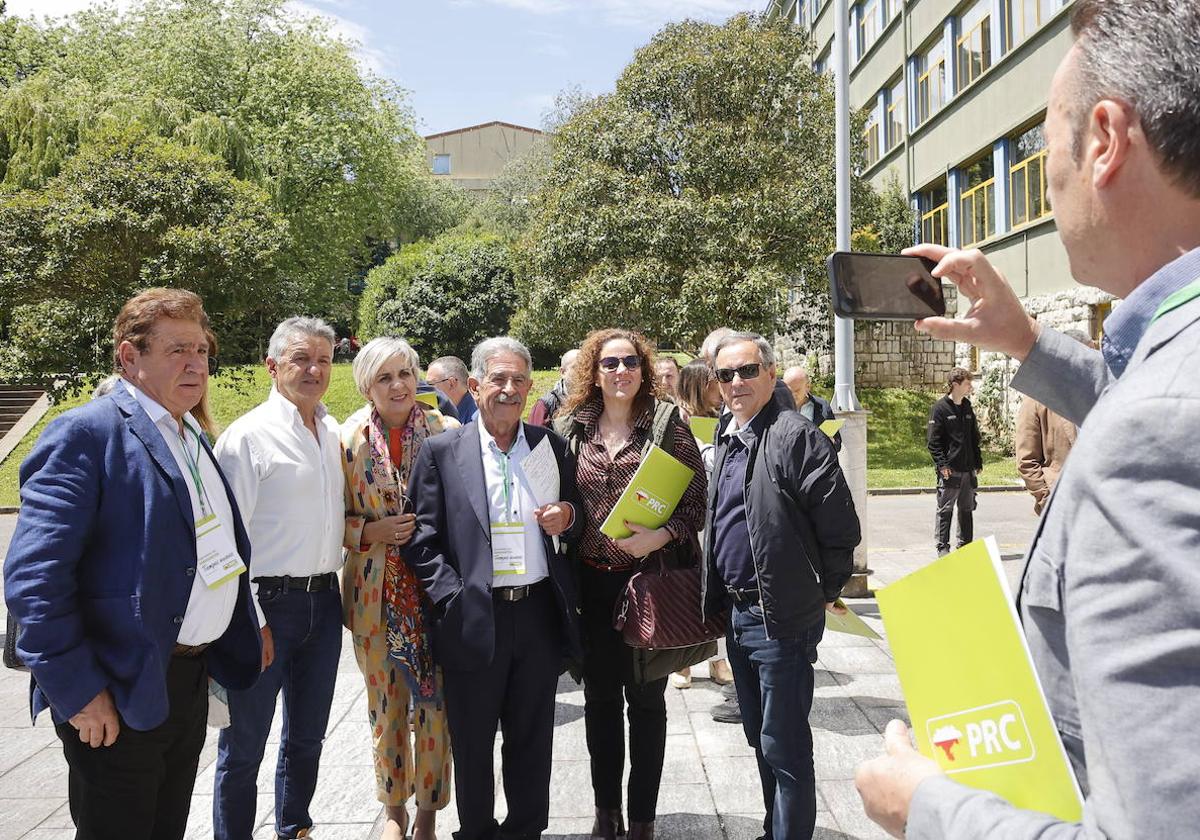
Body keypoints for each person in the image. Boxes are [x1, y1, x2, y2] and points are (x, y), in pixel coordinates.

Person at [855, 2, 1200, 837]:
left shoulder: (1151, 438)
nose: (1046, 179)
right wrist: (1027, 340)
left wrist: (928, 806)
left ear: (1107, 142)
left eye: (1044, 150)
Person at [3, 288, 267, 840]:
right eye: (177, 351)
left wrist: (245, 617)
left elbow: (209, 547)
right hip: (117, 690)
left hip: (186, 681)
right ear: (130, 357)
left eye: (201, 349)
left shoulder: (188, 431)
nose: (196, 363)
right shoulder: (88, 433)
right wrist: (77, 691)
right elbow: (34, 581)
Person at [406, 336, 584, 840]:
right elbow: (421, 537)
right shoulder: (443, 451)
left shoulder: (549, 445)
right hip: (473, 615)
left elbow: (577, 516)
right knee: (473, 738)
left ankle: (527, 829)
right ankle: (478, 831)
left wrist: (567, 517)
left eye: (519, 380)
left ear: (531, 387)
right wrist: (451, 595)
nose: (509, 390)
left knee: (531, 738)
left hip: (536, 615)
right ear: (476, 384)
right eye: (499, 379)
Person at [701, 331, 861, 840]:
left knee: (785, 745)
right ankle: (774, 829)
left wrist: (820, 592)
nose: (736, 382)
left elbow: (840, 529)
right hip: (740, 615)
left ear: (771, 373)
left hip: (782, 619)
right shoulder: (728, 437)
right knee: (759, 737)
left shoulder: (795, 435)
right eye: (725, 375)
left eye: (747, 370)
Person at [554, 328, 708, 840]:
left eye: (630, 363)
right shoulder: (570, 428)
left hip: (648, 585)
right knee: (599, 703)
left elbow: (698, 504)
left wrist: (663, 533)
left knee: (646, 704)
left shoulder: (667, 427)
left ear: (644, 370)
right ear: (593, 373)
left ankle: (641, 818)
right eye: (610, 363)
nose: (621, 372)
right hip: (590, 586)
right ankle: (606, 815)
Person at [211, 318, 345, 840]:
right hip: (265, 605)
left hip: (323, 602)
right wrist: (254, 619)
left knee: (307, 736)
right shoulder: (247, 437)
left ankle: (294, 828)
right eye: (300, 359)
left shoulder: (332, 431)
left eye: (323, 360)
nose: (313, 370)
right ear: (272, 366)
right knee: (244, 745)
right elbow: (225, 544)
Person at [341, 337, 457, 840]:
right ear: (367, 385)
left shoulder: (446, 431)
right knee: (385, 708)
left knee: (434, 707)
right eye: (384, 377)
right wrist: (368, 532)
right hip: (375, 596)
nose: (398, 385)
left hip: (434, 594)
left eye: (405, 374)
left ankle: (429, 811)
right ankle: (394, 809)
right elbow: (326, 518)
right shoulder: (345, 440)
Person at [668, 360, 733, 692]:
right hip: (688, 517)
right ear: (699, 384)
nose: (720, 387)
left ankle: (716, 659)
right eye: (714, 381)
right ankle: (684, 661)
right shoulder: (676, 419)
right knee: (690, 588)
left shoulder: (721, 418)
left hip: (717, 514)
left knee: (714, 587)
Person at [1013, 330, 1090, 515]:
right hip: (1062, 504)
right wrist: (1047, 500)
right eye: (1089, 356)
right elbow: (1026, 460)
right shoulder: (1037, 398)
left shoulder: (1102, 392)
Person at [926, 368, 982, 556]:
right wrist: (942, 465)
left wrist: (977, 461)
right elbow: (933, 442)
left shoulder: (967, 406)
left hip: (968, 469)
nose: (970, 387)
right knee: (945, 509)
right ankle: (943, 547)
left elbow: (974, 437)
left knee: (967, 509)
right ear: (955, 384)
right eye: (967, 383)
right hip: (950, 469)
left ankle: (965, 546)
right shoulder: (940, 408)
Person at [700, 327, 795, 411]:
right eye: (723, 373)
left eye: (747, 370)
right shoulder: (730, 400)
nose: (712, 374)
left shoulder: (777, 393)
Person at [782, 365, 842, 452]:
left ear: (808, 387)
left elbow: (837, 444)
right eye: (789, 390)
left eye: (797, 391)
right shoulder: (779, 408)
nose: (793, 395)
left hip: (815, 462)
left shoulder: (822, 406)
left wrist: (831, 442)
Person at [529, 347, 578, 427]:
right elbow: (535, 436)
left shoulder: (595, 401)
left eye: (585, 367)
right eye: (576, 367)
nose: (582, 372)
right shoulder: (546, 405)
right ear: (563, 372)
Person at [427, 355, 478, 424]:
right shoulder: (446, 415)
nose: (427, 390)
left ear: (451, 383)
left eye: (430, 384)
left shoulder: (477, 419)